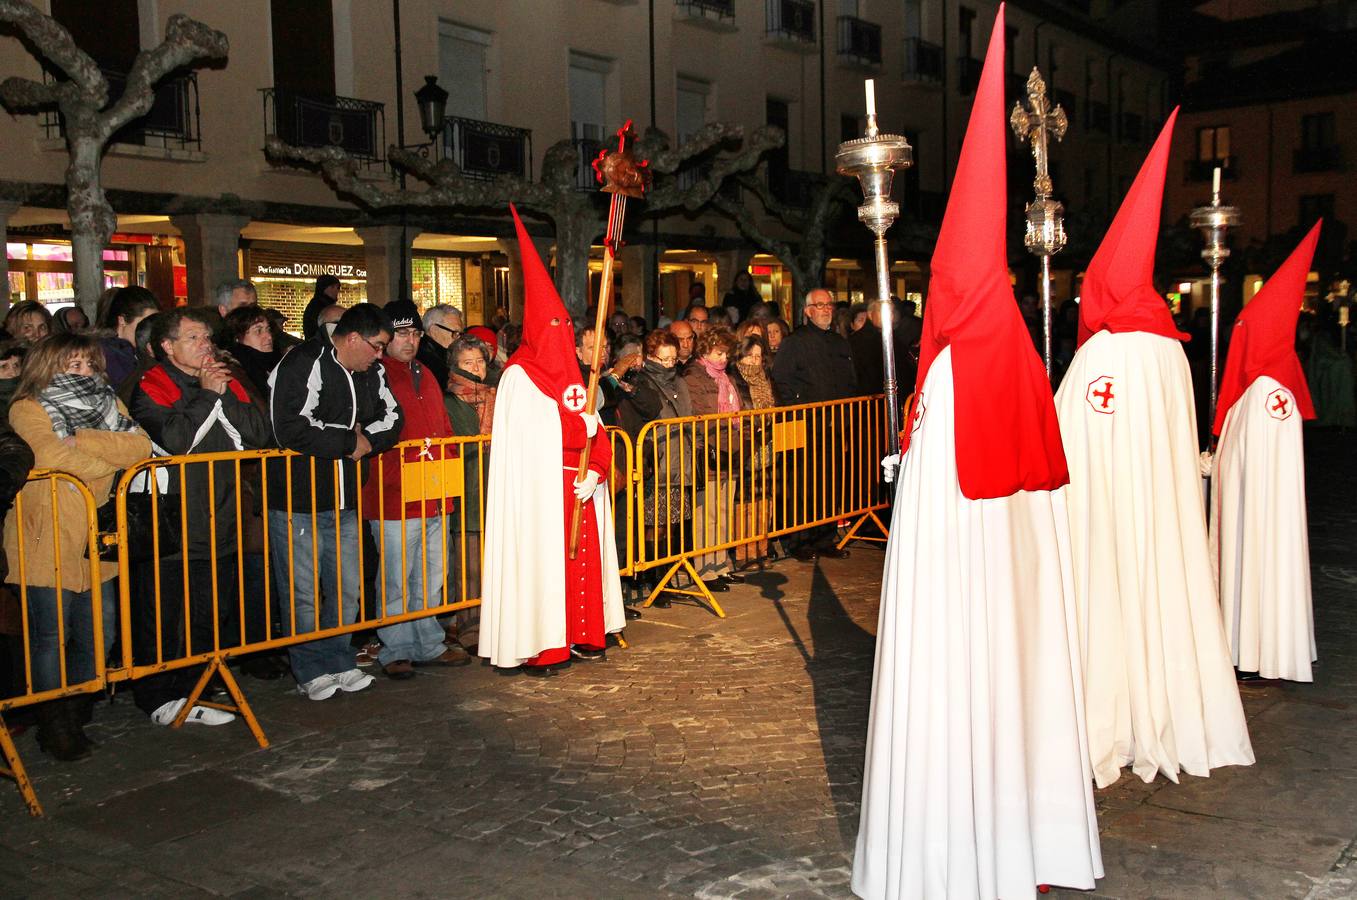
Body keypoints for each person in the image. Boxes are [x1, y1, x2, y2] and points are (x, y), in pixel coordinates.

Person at [853, 14, 1102, 896]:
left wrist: (906, 463)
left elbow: (936, 475)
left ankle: (952, 844)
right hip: (1017, 570)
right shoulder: (1023, 357)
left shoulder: (957, 362)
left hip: (957, 575)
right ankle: (1023, 836)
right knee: (1017, 681)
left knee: (958, 690)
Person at [1053, 109, 1253, 788]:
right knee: (1160, 594)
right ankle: (1165, 709)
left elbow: (1063, 437)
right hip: (1158, 515)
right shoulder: (1168, 349)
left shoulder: (1103, 352)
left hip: (1100, 519)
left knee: (1103, 606)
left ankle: (1111, 716)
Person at [480, 207, 626, 674]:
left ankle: (583, 634)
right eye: (556, 328)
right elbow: (531, 439)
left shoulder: (578, 378)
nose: (563, 335)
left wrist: (598, 470)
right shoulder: (519, 377)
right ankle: (545, 644)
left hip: (579, 489)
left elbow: (598, 434)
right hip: (540, 496)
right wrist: (573, 430)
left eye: (567, 326)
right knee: (545, 574)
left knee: (582, 571)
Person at [4, 334, 150, 759]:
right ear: (48, 366)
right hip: (44, 536)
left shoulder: (108, 403)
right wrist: (107, 464)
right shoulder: (27, 408)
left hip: (95, 538)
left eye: (90, 364)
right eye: (74, 365)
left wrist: (83, 441)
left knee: (98, 631)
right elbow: (48, 455)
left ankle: (79, 704)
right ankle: (54, 720)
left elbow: (140, 446)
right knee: (50, 636)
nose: (85, 373)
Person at [128, 308, 273, 726]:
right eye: (193, 338)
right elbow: (173, 438)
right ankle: (161, 696)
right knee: (167, 615)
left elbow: (259, 433)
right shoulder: (150, 385)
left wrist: (223, 391)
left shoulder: (223, 378)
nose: (205, 346)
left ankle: (197, 686)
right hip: (175, 523)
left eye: (207, 338)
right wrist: (208, 395)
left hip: (222, 514)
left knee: (210, 611)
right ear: (167, 347)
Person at [268, 304, 403, 700]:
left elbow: (393, 417)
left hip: (345, 498)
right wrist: (349, 441)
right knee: (303, 592)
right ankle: (309, 667)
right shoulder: (304, 362)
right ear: (353, 339)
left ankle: (338, 659)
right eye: (377, 346)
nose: (381, 355)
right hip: (298, 500)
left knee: (346, 589)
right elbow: (289, 426)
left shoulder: (372, 371)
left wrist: (365, 443)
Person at [1211, 224, 1321, 683]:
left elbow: (1257, 466)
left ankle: (1259, 649)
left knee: (1258, 563)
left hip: (1260, 513)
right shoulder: (1266, 388)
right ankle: (1251, 643)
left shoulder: (1270, 393)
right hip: (1252, 506)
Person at [359, 300, 469, 679]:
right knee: (396, 576)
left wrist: (450, 458)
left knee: (431, 573)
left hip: (434, 488)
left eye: (415, 333)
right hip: (394, 492)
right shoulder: (374, 374)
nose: (410, 340)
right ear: (386, 338)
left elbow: (441, 423)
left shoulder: (424, 370)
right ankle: (396, 647)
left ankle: (427, 640)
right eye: (402, 333)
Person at [771, 288, 857, 561]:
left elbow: (849, 380)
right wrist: (801, 406)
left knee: (831, 482)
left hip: (835, 423)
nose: (826, 309)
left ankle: (825, 536)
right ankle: (801, 540)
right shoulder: (795, 341)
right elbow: (781, 379)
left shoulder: (839, 342)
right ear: (808, 311)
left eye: (829, 305)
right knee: (804, 483)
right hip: (807, 424)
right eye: (820, 305)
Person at [619, 330, 695, 608]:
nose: (669, 364)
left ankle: (669, 575)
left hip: (680, 460)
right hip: (657, 461)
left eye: (673, 359)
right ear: (650, 356)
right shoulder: (641, 380)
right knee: (654, 525)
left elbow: (687, 416)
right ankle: (654, 578)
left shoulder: (679, 381)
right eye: (663, 359)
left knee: (674, 523)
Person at [682, 326, 744, 590]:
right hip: (707, 451)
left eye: (726, 354)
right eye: (719, 353)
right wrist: (706, 443)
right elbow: (695, 413)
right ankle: (706, 570)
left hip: (729, 449)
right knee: (706, 514)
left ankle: (720, 564)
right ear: (705, 349)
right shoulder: (694, 377)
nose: (723, 359)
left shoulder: (725, 378)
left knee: (724, 511)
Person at [729, 335, 777, 567]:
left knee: (764, 499)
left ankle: (762, 548)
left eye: (758, 356)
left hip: (766, 444)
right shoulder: (734, 378)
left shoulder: (765, 378)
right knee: (744, 501)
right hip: (747, 445)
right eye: (750, 355)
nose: (754, 361)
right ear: (741, 354)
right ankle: (743, 552)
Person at [98, 286, 160, 390]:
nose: (150, 330)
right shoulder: (108, 355)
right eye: (145, 323)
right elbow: (132, 394)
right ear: (122, 320)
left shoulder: (132, 351)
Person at [223, 305, 282, 399]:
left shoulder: (278, 361)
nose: (269, 336)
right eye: (258, 331)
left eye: (268, 329)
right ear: (238, 337)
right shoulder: (236, 372)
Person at [447, 332, 497, 436]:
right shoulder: (448, 401)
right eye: (468, 363)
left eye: (480, 361)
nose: (476, 368)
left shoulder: (496, 394)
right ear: (456, 366)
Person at [419, 304, 464, 388]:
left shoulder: (445, 356)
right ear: (434, 331)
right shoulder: (427, 363)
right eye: (455, 333)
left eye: (460, 334)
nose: (459, 339)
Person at [301, 274, 342, 341]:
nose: (336, 290)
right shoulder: (318, 306)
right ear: (323, 288)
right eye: (332, 287)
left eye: (338, 288)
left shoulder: (318, 304)